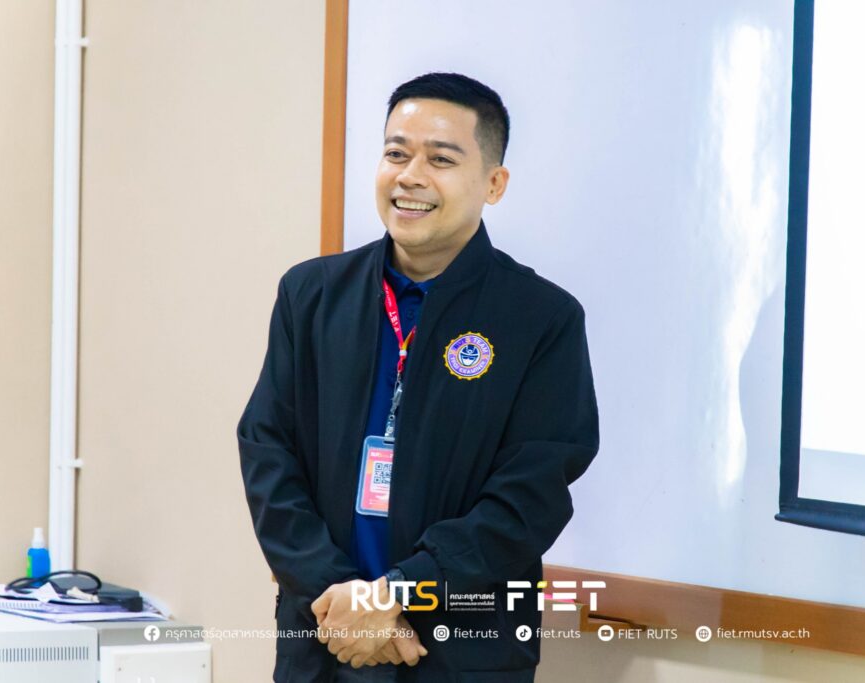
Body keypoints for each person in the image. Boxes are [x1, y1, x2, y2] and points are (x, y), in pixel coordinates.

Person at [238, 72, 599, 683]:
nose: (410, 176)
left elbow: (529, 498)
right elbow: (268, 452)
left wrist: (399, 594)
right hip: (326, 637)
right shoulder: (312, 295)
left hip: (458, 652)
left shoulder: (541, 319)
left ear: (494, 183)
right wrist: (345, 600)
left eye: (441, 159)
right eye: (396, 153)